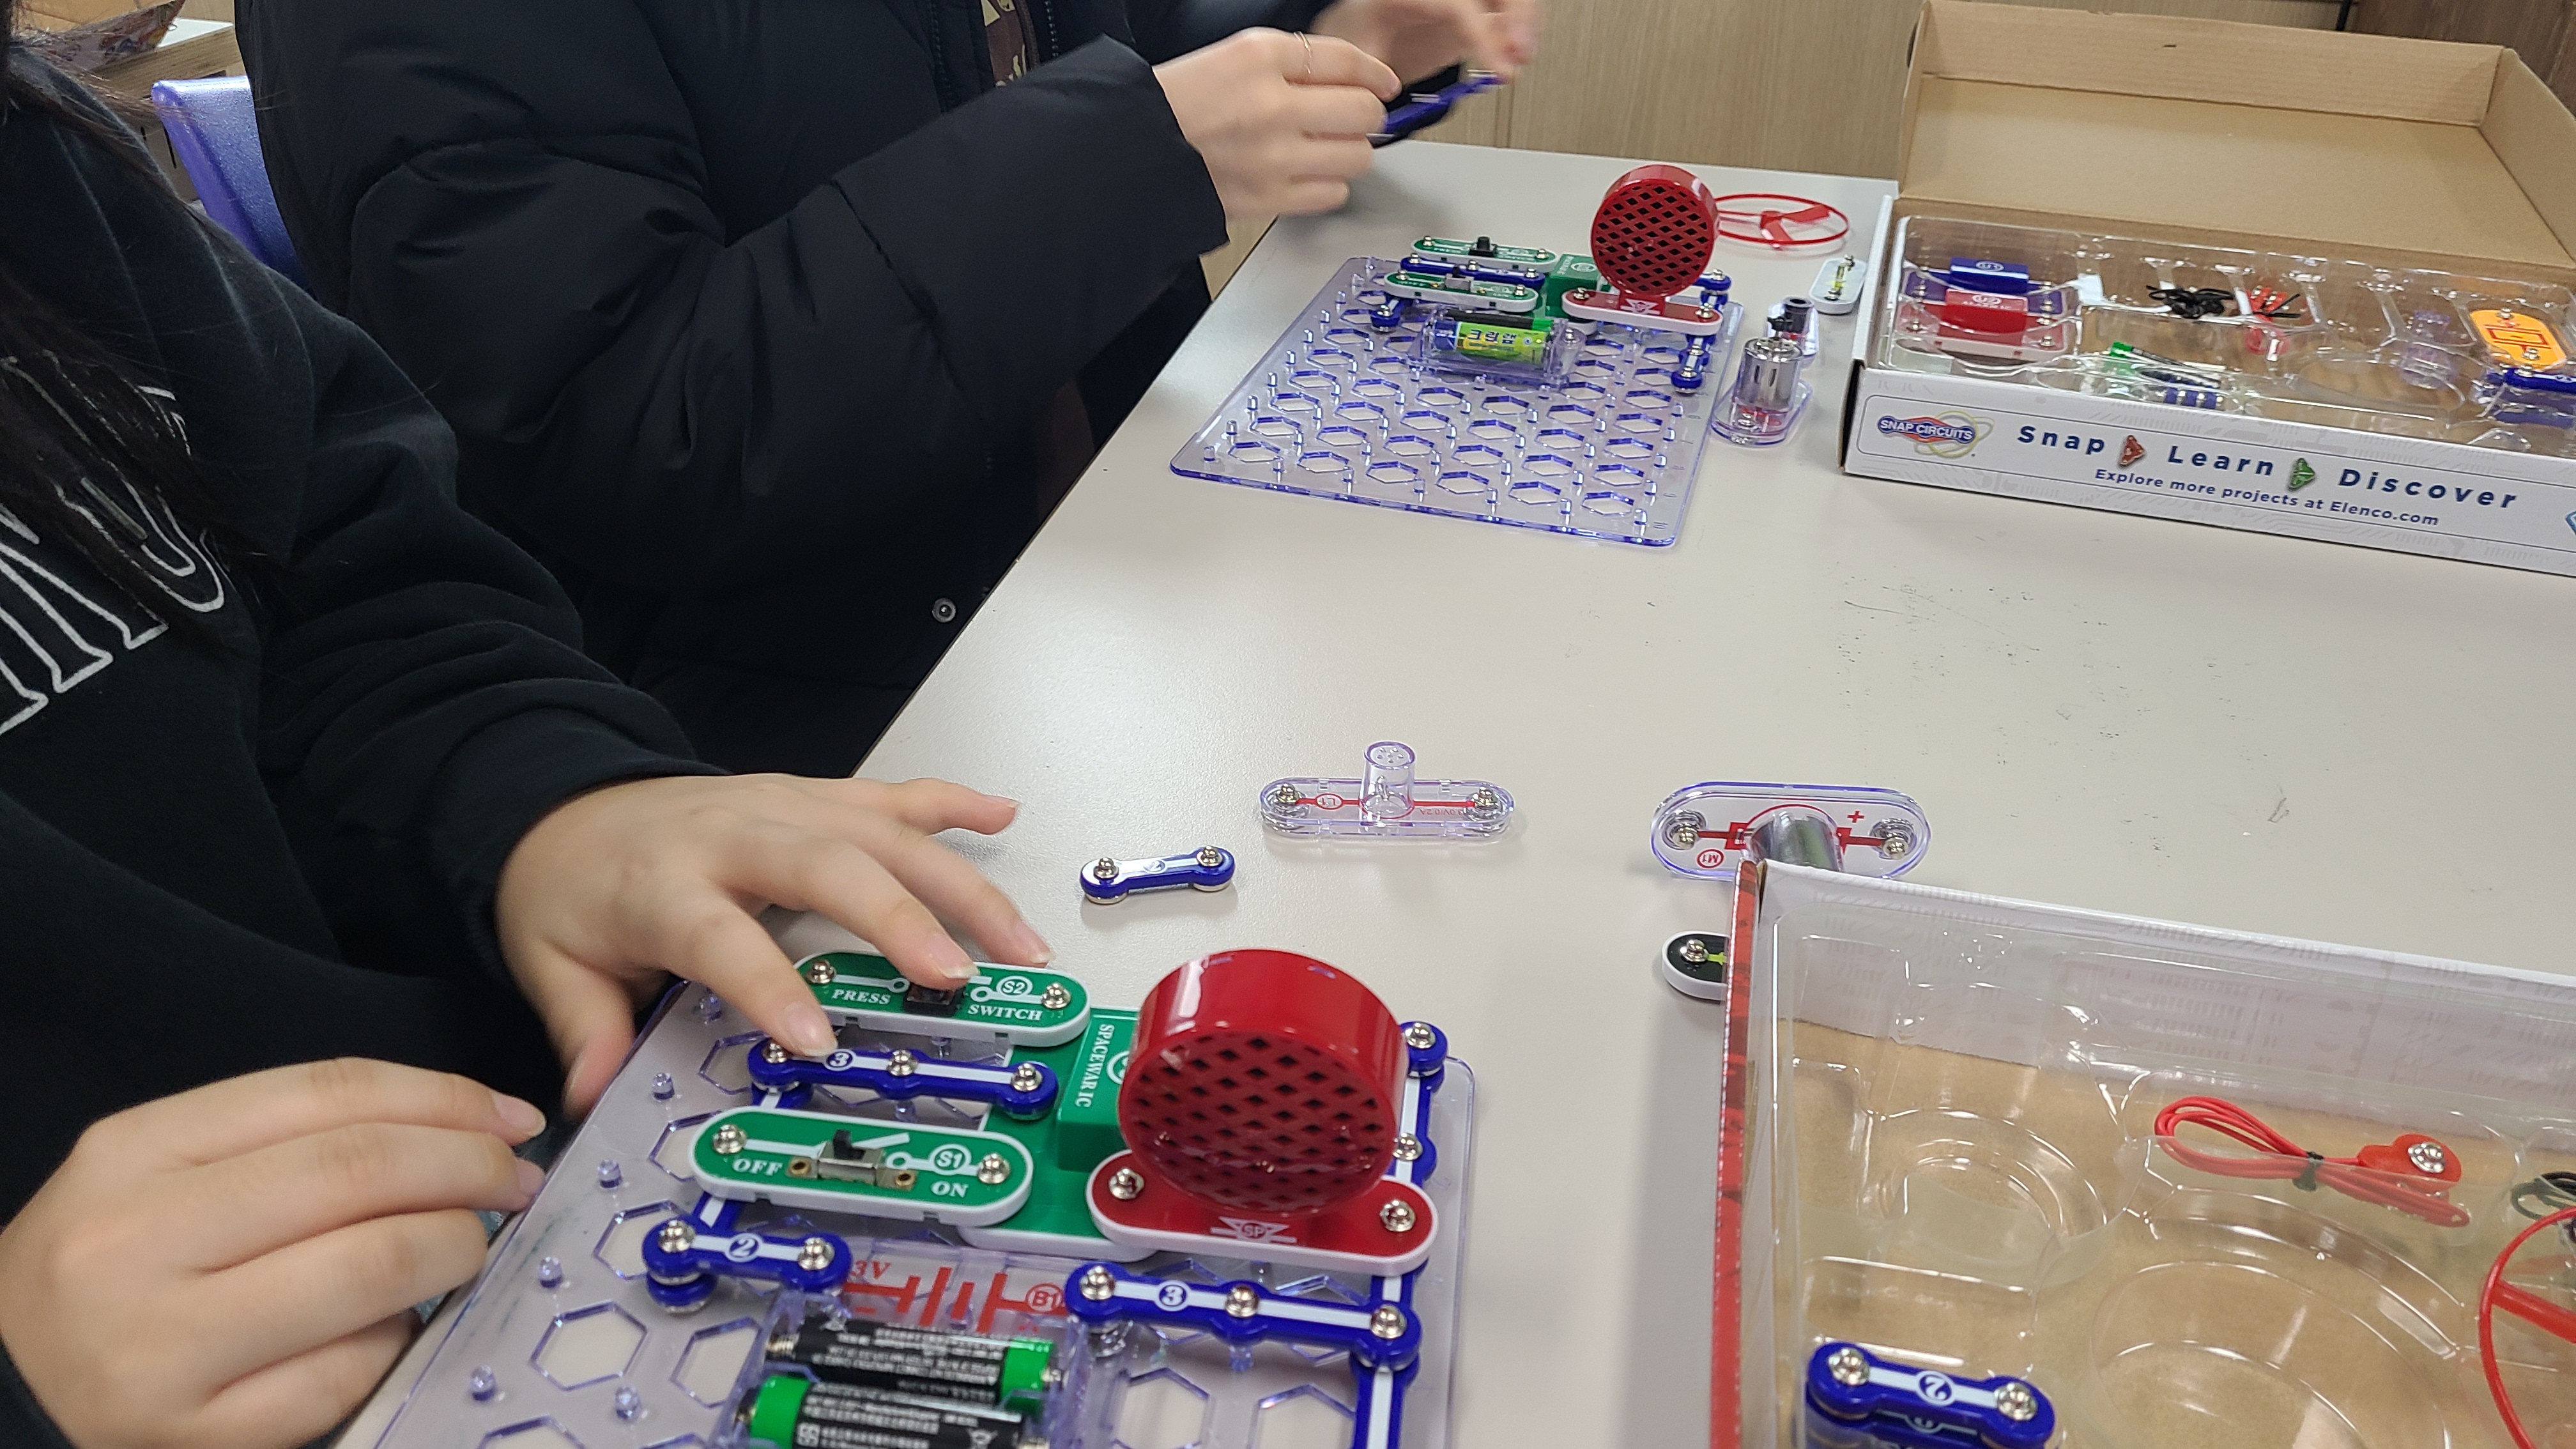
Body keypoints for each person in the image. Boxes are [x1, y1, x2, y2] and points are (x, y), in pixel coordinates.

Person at [0, 36, 1049, 1449]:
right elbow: (647, 418)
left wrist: (542, 798)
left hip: (528, 1194)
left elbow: (344, 583)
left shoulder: (43, 169)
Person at [237, 0, 1540, 775]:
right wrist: (1127, 159)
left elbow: (1066, 46)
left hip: (1108, 587)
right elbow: (633, 432)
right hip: (781, 724)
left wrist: (1323, 39)